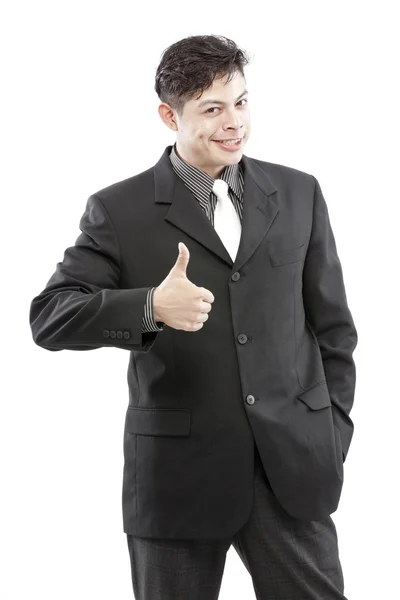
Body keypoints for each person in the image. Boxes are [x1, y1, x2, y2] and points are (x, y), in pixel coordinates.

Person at [29, 34, 358, 600]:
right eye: (212, 109)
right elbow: (50, 317)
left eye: (241, 102)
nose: (235, 123)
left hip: (290, 472)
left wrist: (329, 436)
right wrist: (151, 307)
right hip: (177, 478)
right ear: (168, 115)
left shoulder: (300, 193)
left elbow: (333, 330)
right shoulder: (119, 209)